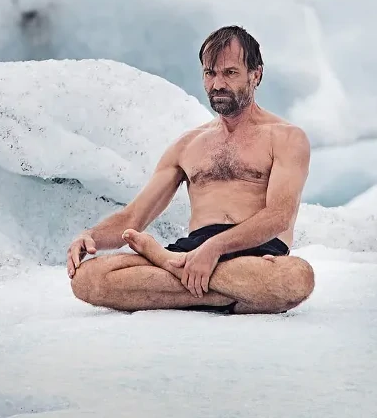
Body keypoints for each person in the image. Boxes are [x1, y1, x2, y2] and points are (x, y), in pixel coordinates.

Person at [67, 25, 314, 314]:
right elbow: (133, 216)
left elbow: (279, 216)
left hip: (257, 253)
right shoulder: (187, 145)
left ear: (255, 74)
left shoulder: (285, 137)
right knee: (88, 278)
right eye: (210, 73)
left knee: (296, 278)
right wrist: (90, 236)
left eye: (230, 73)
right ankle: (226, 294)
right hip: (193, 252)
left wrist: (214, 249)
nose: (218, 84)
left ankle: (167, 266)